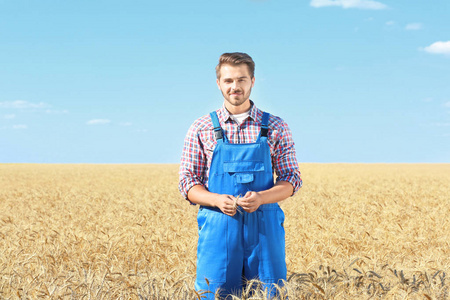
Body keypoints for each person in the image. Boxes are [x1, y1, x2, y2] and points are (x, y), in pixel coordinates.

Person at [178, 52, 302, 299]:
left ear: (253, 81)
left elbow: (291, 179)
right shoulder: (201, 128)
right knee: (213, 293)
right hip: (218, 228)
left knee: (270, 294)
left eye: (242, 80)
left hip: (264, 230)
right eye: (228, 81)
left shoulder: (276, 126)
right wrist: (215, 200)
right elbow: (187, 182)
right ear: (219, 83)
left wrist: (262, 198)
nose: (235, 87)